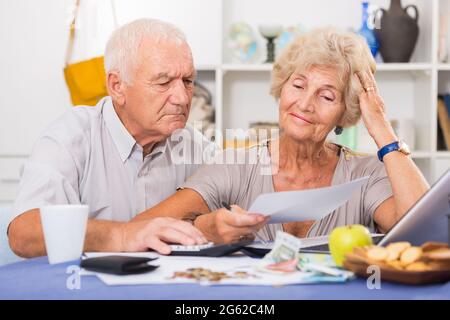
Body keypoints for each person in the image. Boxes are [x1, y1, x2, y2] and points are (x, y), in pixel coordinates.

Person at [131, 27, 429, 244]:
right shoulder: (236, 165)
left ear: (345, 113)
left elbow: (425, 231)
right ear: (281, 89)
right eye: (298, 86)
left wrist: (382, 129)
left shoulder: (365, 174)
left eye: (326, 96)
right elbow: (143, 228)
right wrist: (206, 229)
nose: (305, 104)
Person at [8, 18, 212, 257]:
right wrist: (123, 235)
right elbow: (23, 234)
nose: (183, 98)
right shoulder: (71, 136)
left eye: (187, 81)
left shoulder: (194, 145)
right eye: (163, 82)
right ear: (116, 86)